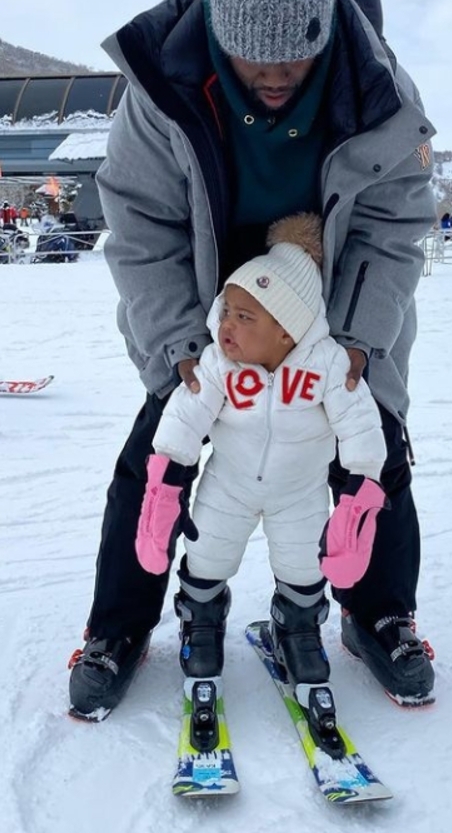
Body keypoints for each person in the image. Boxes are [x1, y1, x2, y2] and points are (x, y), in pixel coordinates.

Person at [68, 0, 437, 720]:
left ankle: (379, 613)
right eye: (251, 58)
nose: (272, 77)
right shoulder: (161, 84)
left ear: (326, 32)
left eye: (293, 60)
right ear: (219, 31)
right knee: (157, 451)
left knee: (374, 446)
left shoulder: (379, 89)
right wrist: (178, 347)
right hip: (213, 301)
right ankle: (116, 625)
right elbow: (142, 229)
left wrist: (358, 344)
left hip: (334, 299)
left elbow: (392, 229)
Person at [130, 214, 390, 727]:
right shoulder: (217, 365)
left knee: (303, 566)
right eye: (227, 312)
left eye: (245, 317)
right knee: (207, 553)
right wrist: (166, 484)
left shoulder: (329, 366)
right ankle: (201, 623)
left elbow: (361, 426)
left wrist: (359, 495)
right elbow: (185, 416)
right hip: (227, 486)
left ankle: (297, 628)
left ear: (286, 329)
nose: (226, 326)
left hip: (301, 494)